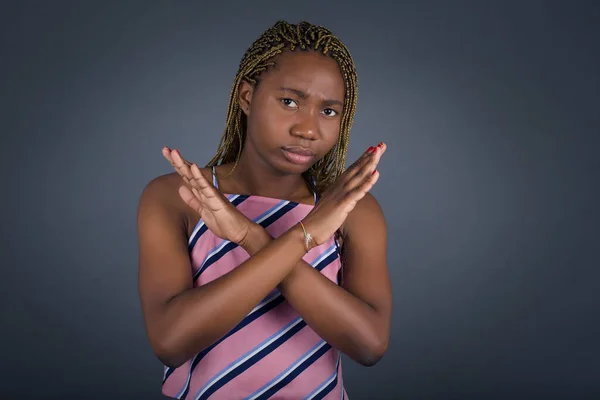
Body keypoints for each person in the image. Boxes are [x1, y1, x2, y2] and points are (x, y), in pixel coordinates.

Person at [137, 20, 392, 400]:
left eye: (328, 111)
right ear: (246, 96)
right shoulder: (179, 197)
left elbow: (369, 344)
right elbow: (172, 342)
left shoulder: (351, 210)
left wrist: (249, 235)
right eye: (289, 101)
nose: (308, 129)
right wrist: (304, 237)